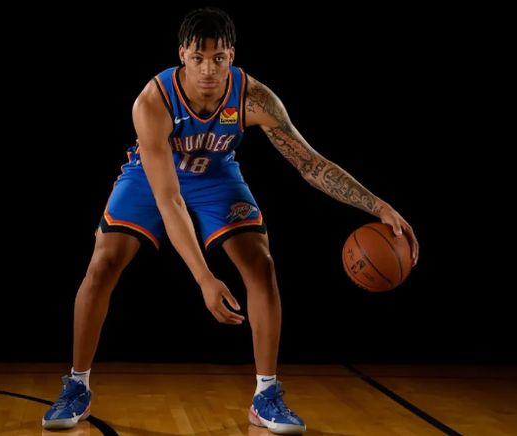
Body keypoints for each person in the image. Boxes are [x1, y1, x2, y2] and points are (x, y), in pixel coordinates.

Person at [42, 7, 419, 435]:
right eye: (198, 58)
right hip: (153, 178)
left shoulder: (253, 98)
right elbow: (169, 200)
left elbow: (309, 163)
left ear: (231, 56)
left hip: (215, 175)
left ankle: (266, 394)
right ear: (182, 54)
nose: (208, 69)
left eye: (218, 58)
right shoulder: (153, 101)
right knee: (103, 263)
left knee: (261, 263)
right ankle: (77, 384)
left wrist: (377, 205)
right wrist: (205, 278)